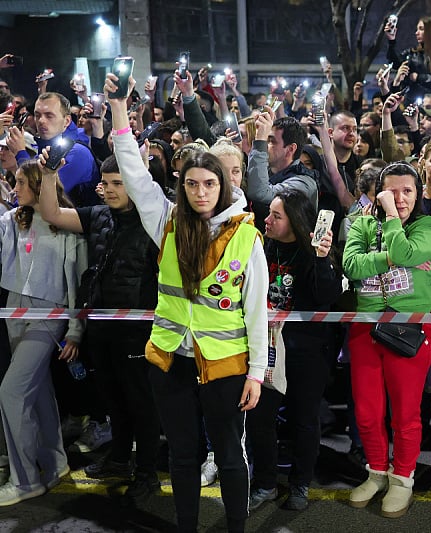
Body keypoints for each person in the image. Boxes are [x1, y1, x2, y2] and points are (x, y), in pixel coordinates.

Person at [105, 72, 272, 533]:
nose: (201, 192)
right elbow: (136, 176)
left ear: (223, 186)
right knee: (181, 455)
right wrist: (119, 111)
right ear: (183, 186)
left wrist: (257, 373)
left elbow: (258, 311)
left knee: (230, 456)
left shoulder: (246, 237)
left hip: (225, 364)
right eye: (193, 184)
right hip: (170, 360)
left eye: (209, 184)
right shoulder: (168, 222)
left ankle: (235, 526)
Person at [38, 154, 162, 499]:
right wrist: (49, 175)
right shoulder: (98, 215)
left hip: (139, 329)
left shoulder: (155, 220)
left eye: (117, 183)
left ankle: (148, 473)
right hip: (101, 326)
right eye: (106, 183)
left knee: (141, 403)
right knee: (113, 400)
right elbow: (51, 213)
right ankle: (120, 459)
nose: (108, 190)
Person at [343, 161, 431, 518]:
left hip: (410, 330)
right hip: (364, 328)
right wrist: (393, 258)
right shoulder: (361, 223)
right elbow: (351, 266)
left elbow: (407, 253)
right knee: (367, 413)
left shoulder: (429, 225)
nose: (399, 199)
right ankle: (376, 471)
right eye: (391, 192)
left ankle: (403, 478)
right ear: (378, 191)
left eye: (407, 191)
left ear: (418, 194)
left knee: (405, 414)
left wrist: (393, 236)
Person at [247, 188, 342, 511]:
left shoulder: (312, 251)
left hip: (306, 350)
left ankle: (300, 484)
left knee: (304, 420)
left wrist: (320, 259)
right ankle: (265, 483)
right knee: (259, 419)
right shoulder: (260, 246)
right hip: (265, 346)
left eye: (276, 216)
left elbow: (326, 296)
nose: (267, 220)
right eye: (269, 214)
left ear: (295, 221)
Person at [0, 159, 86, 506]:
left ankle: (24, 481)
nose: (15, 189)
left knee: (11, 392)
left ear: (39, 185)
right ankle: (55, 463)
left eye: (21, 183)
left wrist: (76, 331)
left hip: (49, 315)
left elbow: (77, 282)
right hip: (14, 311)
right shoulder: (12, 220)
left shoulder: (65, 222)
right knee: (37, 392)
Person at [9, 92, 100, 207]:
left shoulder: (77, 153)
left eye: (49, 115)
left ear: (66, 121)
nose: (41, 121)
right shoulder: (44, 150)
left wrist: (20, 153)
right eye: (37, 115)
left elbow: (38, 197)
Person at [385, 16, 431, 102]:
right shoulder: (412, 53)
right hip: (411, 101)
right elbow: (394, 63)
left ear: (430, 31)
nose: (416, 33)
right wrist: (391, 40)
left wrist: (419, 77)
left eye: (421, 29)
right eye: (417, 29)